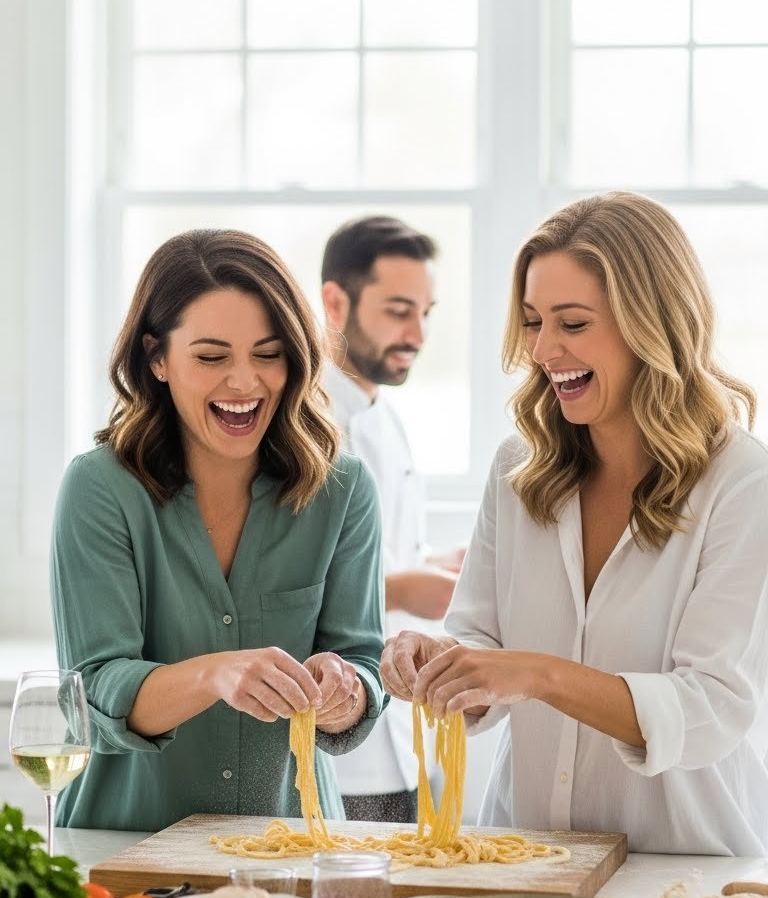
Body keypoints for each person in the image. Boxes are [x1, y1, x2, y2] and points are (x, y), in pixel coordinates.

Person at [381, 192, 768, 855]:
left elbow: (710, 707)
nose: (543, 348)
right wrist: (437, 664)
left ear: (652, 323)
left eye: (573, 322)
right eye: (533, 321)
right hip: (524, 857)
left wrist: (539, 673)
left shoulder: (739, 480)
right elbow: (479, 643)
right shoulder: (517, 469)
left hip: (683, 867)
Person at [51, 228, 387, 832]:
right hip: (125, 850)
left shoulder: (344, 491)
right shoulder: (99, 489)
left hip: (294, 852)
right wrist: (215, 673)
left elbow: (361, 662)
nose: (244, 382)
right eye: (211, 357)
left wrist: (346, 693)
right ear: (156, 358)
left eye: (268, 353)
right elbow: (93, 693)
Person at [321, 215, 463, 823]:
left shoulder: (385, 414)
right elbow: (292, 591)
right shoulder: (307, 427)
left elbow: (383, 551)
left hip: (406, 731)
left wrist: (437, 564)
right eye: (399, 310)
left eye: (426, 312)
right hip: (343, 744)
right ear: (335, 301)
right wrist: (411, 589)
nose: (418, 333)